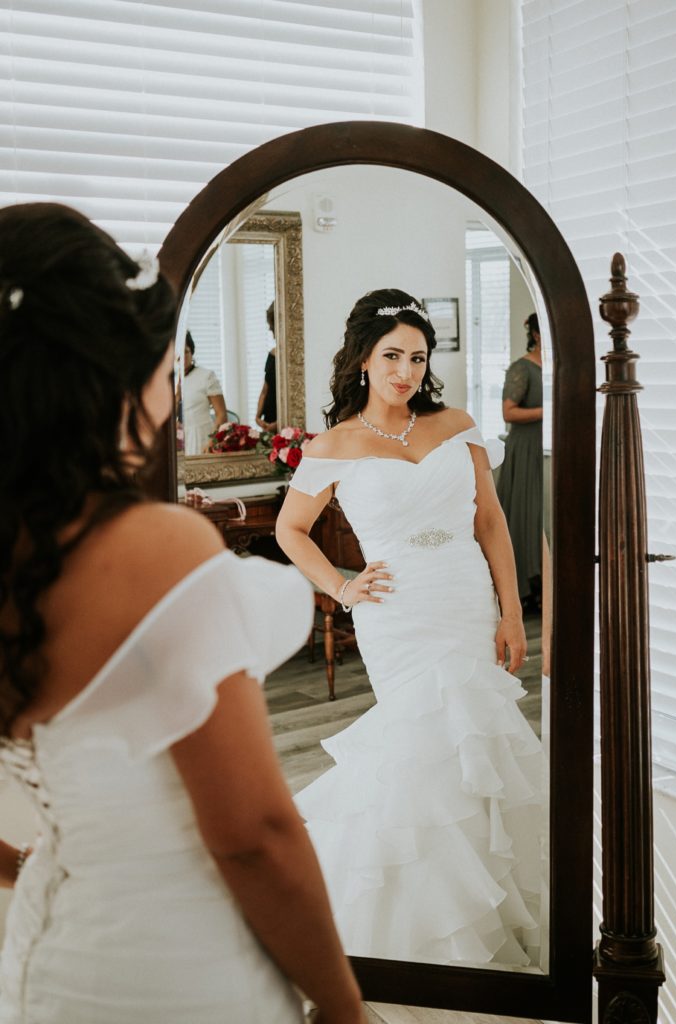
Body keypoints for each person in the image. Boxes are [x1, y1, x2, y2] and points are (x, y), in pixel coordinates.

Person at [0, 203, 364, 1024]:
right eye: (162, 375)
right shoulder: (154, 550)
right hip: (172, 972)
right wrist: (343, 1008)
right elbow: (254, 836)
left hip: (41, 969)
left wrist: (45, 860)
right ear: (106, 383)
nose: (168, 401)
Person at [276, 288, 544, 968]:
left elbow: (489, 521)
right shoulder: (334, 444)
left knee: (474, 740)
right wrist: (340, 586)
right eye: (391, 356)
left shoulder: (456, 424)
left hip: (464, 598)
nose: (405, 372)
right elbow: (290, 529)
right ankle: (409, 920)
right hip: (395, 613)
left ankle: (492, 898)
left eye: (417, 358)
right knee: (420, 746)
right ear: (363, 361)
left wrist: (512, 611)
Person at [495, 313, 544, 611]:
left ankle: (542, 580)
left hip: (548, 448)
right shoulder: (521, 368)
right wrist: (546, 410)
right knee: (526, 515)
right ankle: (523, 585)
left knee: (544, 518)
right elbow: (508, 413)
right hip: (525, 449)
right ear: (537, 335)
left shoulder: (558, 366)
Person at [181, 331, 228, 454]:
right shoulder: (167, 380)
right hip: (177, 442)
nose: (182, 356)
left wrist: (212, 440)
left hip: (201, 438)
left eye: (186, 351)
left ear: (192, 352)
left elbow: (221, 414)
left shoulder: (206, 376)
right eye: (178, 353)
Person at [255, 301, 278, 431]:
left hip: (281, 420)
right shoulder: (271, 355)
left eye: (271, 325)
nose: (270, 329)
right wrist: (258, 416)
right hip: (268, 420)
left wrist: (280, 422)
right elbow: (265, 389)